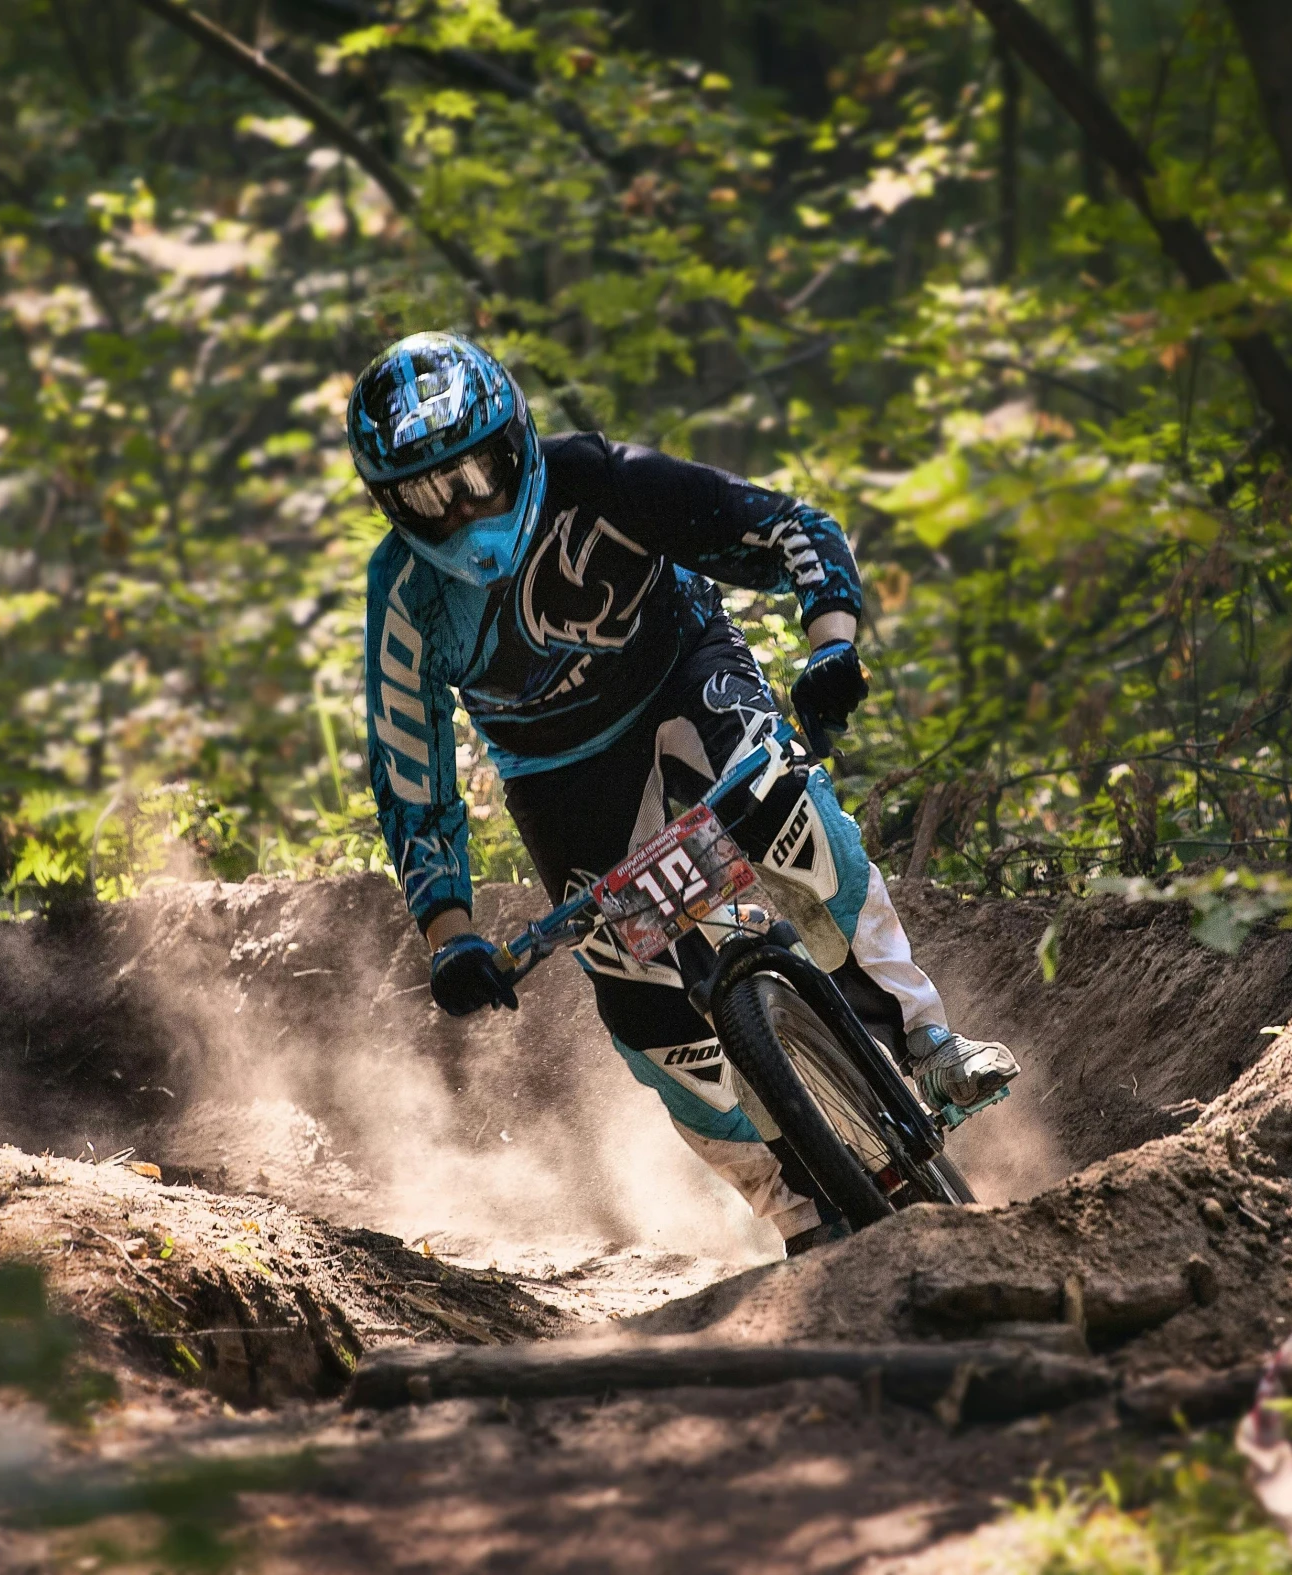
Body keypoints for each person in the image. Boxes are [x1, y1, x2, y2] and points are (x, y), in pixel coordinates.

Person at [351, 331, 1017, 1254]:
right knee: (642, 1008)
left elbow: (792, 525)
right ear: (392, 507)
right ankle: (789, 1200)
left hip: (681, 676)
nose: (464, 513)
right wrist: (450, 934)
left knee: (787, 820)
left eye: (477, 476)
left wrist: (829, 645)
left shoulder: (608, 480)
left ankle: (929, 1043)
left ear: (520, 442)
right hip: (557, 774)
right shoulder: (403, 595)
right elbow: (408, 773)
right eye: (429, 496)